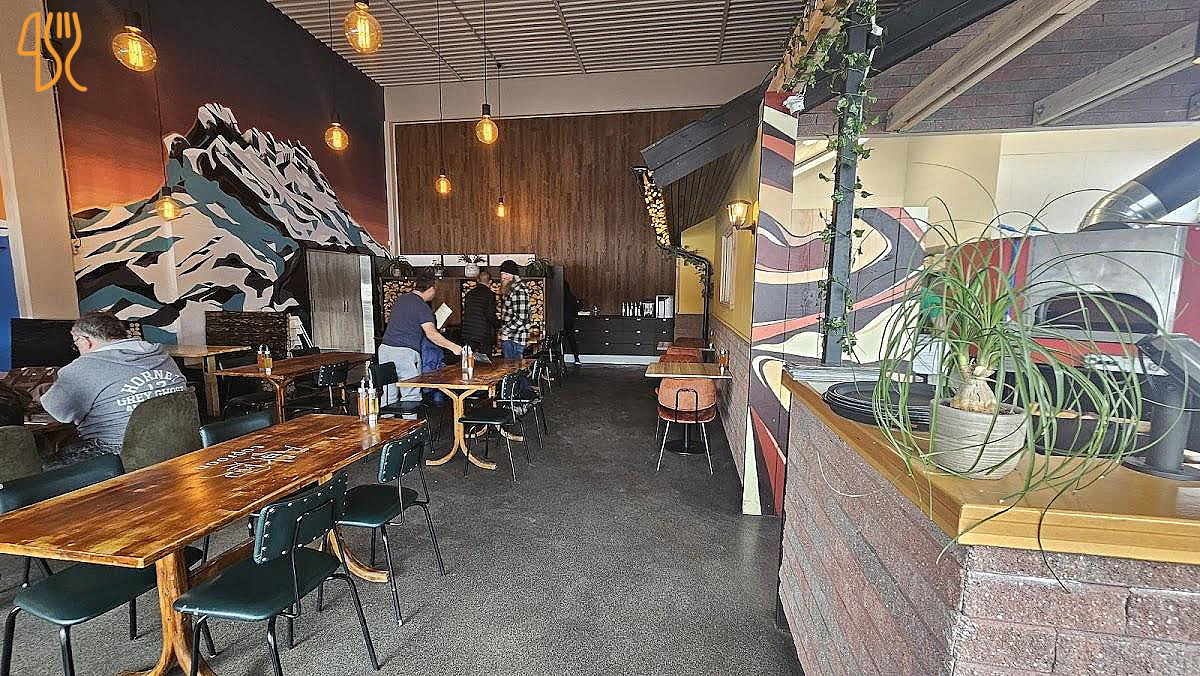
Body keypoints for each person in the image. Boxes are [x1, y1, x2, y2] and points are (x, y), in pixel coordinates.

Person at [41, 311, 187, 467]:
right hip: (181, 444)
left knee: (43, 465)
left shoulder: (83, 367)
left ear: (85, 340)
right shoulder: (161, 355)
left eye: (76, 343)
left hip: (121, 454)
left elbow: (60, 414)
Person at [379, 275, 462, 404]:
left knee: (389, 395)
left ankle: (386, 418)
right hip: (405, 353)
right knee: (411, 395)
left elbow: (407, 324)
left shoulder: (401, 299)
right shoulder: (422, 306)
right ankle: (410, 418)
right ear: (431, 289)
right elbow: (431, 334)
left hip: (385, 350)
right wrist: (454, 347)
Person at [497, 260, 533, 359]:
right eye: (502, 274)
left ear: (513, 275)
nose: (503, 277)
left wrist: (505, 331)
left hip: (514, 341)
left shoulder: (519, 290)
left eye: (506, 274)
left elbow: (521, 318)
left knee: (512, 368)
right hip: (512, 340)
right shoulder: (513, 288)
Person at [461, 268, 500, 354]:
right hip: (483, 335)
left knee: (469, 358)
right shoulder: (490, 295)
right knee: (485, 360)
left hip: (468, 333)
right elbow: (490, 315)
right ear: (490, 281)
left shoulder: (469, 294)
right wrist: (498, 325)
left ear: (478, 280)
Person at [563, 278, 582, 364]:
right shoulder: (571, 297)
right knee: (571, 340)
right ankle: (576, 358)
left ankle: (561, 358)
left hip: (560, 321)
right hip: (570, 321)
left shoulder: (558, 297)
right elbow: (577, 308)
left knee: (561, 340)